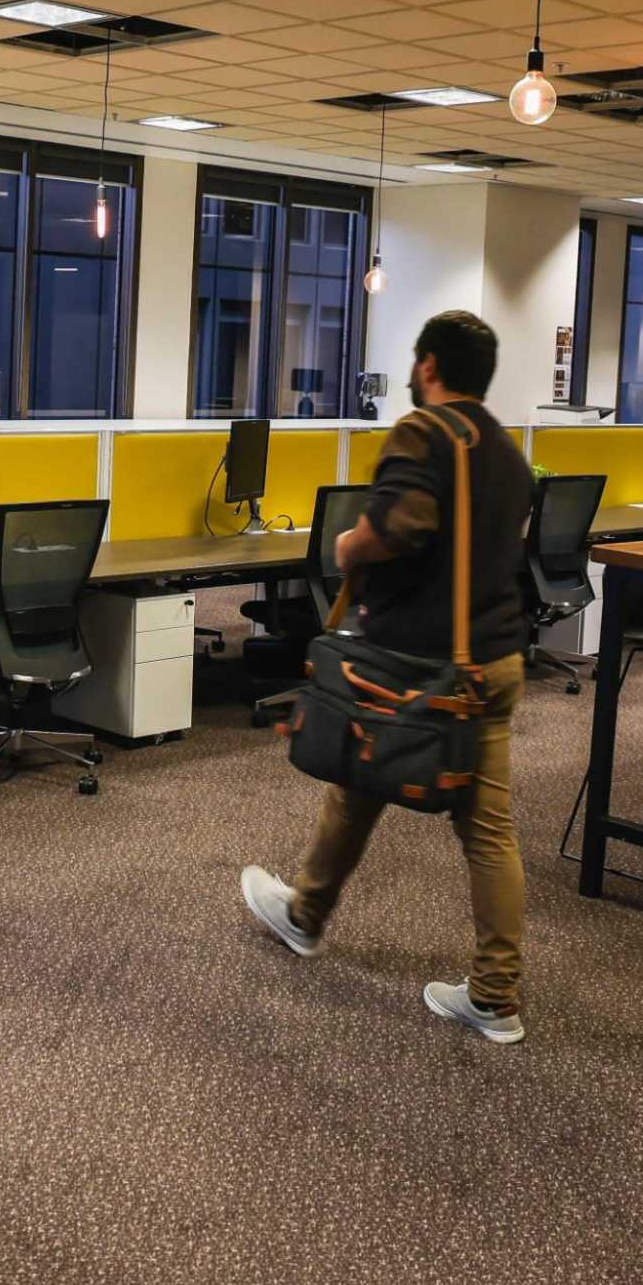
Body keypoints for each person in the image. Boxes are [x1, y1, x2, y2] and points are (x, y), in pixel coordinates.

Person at [241, 310, 538, 1044]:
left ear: (431, 366)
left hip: (421, 668)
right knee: (468, 825)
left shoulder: (421, 432)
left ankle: (308, 915)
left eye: (415, 360)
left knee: (365, 765)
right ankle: (491, 996)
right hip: (493, 662)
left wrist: (350, 542)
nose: (411, 372)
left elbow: (400, 524)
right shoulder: (507, 451)